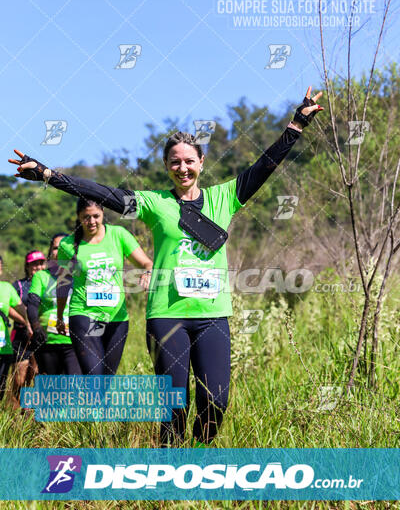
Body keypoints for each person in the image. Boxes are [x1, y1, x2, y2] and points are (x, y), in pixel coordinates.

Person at [9, 86, 323, 444]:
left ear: (202, 163)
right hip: (166, 315)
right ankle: (170, 472)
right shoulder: (153, 203)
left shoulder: (225, 197)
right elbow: (104, 194)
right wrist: (49, 174)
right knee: (174, 405)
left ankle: (198, 456)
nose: (183, 167)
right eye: (175, 161)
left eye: (189, 160)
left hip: (212, 314)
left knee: (216, 401)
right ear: (166, 167)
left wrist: (296, 125)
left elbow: (265, 166)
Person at [55, 198, 153, 375]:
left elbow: (146, 262)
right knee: (94, 372)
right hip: (85, 314)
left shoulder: (118, 235)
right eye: (86, 217)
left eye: (95, 216)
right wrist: (60, 316)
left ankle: (94, 403)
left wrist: (147, 272)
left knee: (107, 375)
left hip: (116, 317)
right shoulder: (67, 245)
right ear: (78, 216)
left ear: (102, 214)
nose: (91, 221)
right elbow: (63, 282)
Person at [27, 234, 81, 375]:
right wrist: (36, 327)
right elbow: (32, 304)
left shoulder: (80, 277)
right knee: (51, 390)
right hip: (47, 342)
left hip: (74, 342)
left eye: (65, 247)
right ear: (50, 252)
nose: (60, 251)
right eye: (56, 247)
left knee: (74, 385)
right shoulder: (41, 276)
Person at [10, 250, 46, 406]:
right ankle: (13, 413)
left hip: (41, 335)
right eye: (34, 264)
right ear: (27, 266)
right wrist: (27, 323)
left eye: (40, 263)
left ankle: (32, 413)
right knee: (20, 378)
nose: (37, 267)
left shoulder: (49, 284)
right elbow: (11, 306)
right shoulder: (18, 285)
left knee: (37, 374)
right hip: (22, 335)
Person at [0, 255, 30, 400]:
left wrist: (29, 323)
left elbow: (18, 308)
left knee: (1, 388)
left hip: (3, 347)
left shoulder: (6, 288)